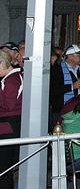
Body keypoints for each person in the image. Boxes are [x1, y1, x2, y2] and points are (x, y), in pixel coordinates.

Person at [0, 50, 23, 188]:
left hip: (8, 125)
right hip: (12, 124)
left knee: (3, 168)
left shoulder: (10, 81)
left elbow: (8, 106)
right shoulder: (16, 76)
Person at [50, 45, 80, 125]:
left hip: (77, 108)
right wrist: (71, 86)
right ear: (70, 56)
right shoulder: (57, 70)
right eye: (79, 55)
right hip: (60, 110)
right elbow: (53, 90)